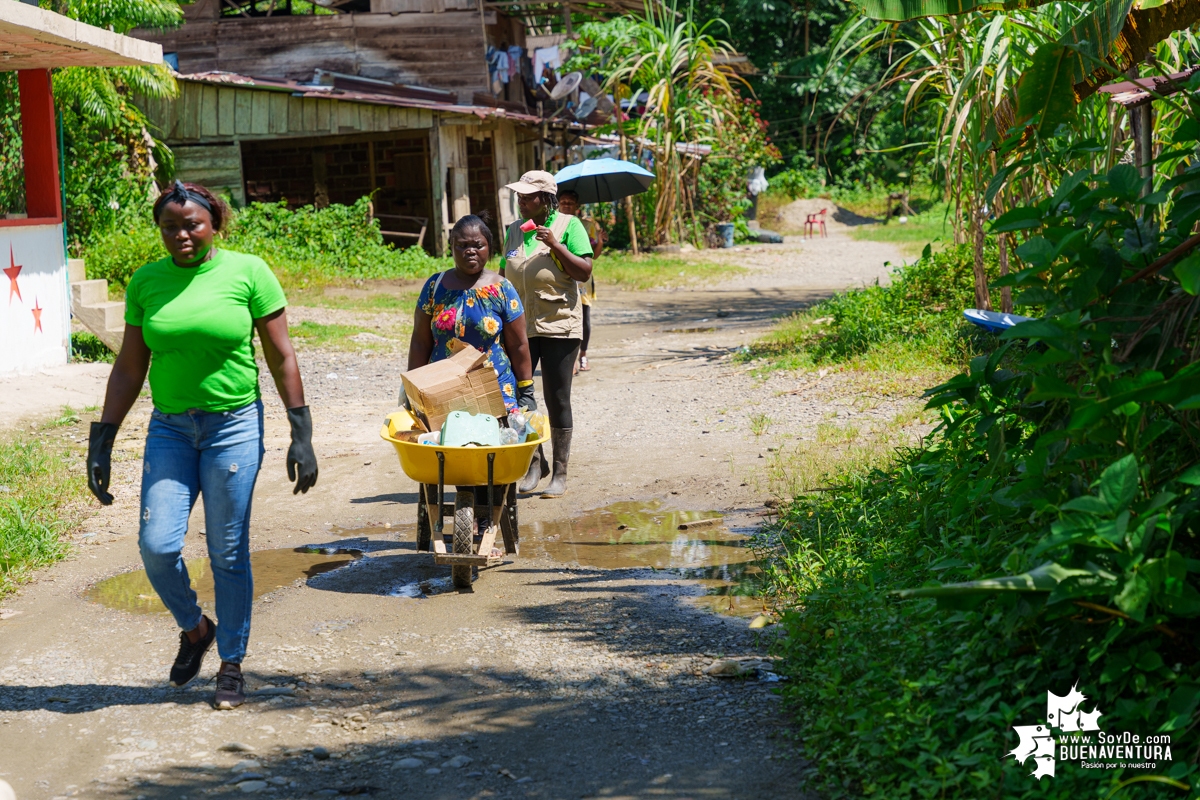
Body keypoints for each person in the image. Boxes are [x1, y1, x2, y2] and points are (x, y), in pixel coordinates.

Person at [86, 181, 318, 710]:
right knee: (158, 545)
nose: (182, 234)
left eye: (192, 224)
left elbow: (282, 355)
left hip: (233, 425)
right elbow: (129, 366)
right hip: (170, 428)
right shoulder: (146, 281)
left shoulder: (248, 272)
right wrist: (103, 439)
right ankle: (196, 630)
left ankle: (231, 663)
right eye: (170, 226)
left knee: (227, 550)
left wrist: (300, 433)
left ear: (214, 223)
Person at [499, 171, 594, 497]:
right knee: (516, 397)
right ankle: (535, 463)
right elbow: (502, 275)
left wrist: (554, 245)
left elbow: (584, 271)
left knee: (557, 397)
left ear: (546, 199)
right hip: (520, 328)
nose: (521, 200)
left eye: (528, 195)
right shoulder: (513, 231)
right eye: (519, 195)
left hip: (559, 326)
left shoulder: (569, 226)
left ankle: (561, 473)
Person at [406, 213, 535, 415]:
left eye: (478, 245)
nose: (470, 251)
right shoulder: (435, 287)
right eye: (463, 245)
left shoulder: (502, 289)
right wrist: (412, 389)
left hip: (495, 389)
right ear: (451, 248)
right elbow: (420, 342)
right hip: (442, 389)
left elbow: (518, 344)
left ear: (489, 248)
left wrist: (527, 389)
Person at [556, 188, 603, 374]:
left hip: (582, 280)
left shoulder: (587, 226)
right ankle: (570, 359)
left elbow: (594, 256)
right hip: (560, 277)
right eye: (563, 202)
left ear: (577, 206)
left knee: (583, 318)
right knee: (564, 317)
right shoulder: (553, 225)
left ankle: (583, 354)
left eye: (570, 202)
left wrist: (600, 241)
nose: (566, 205)